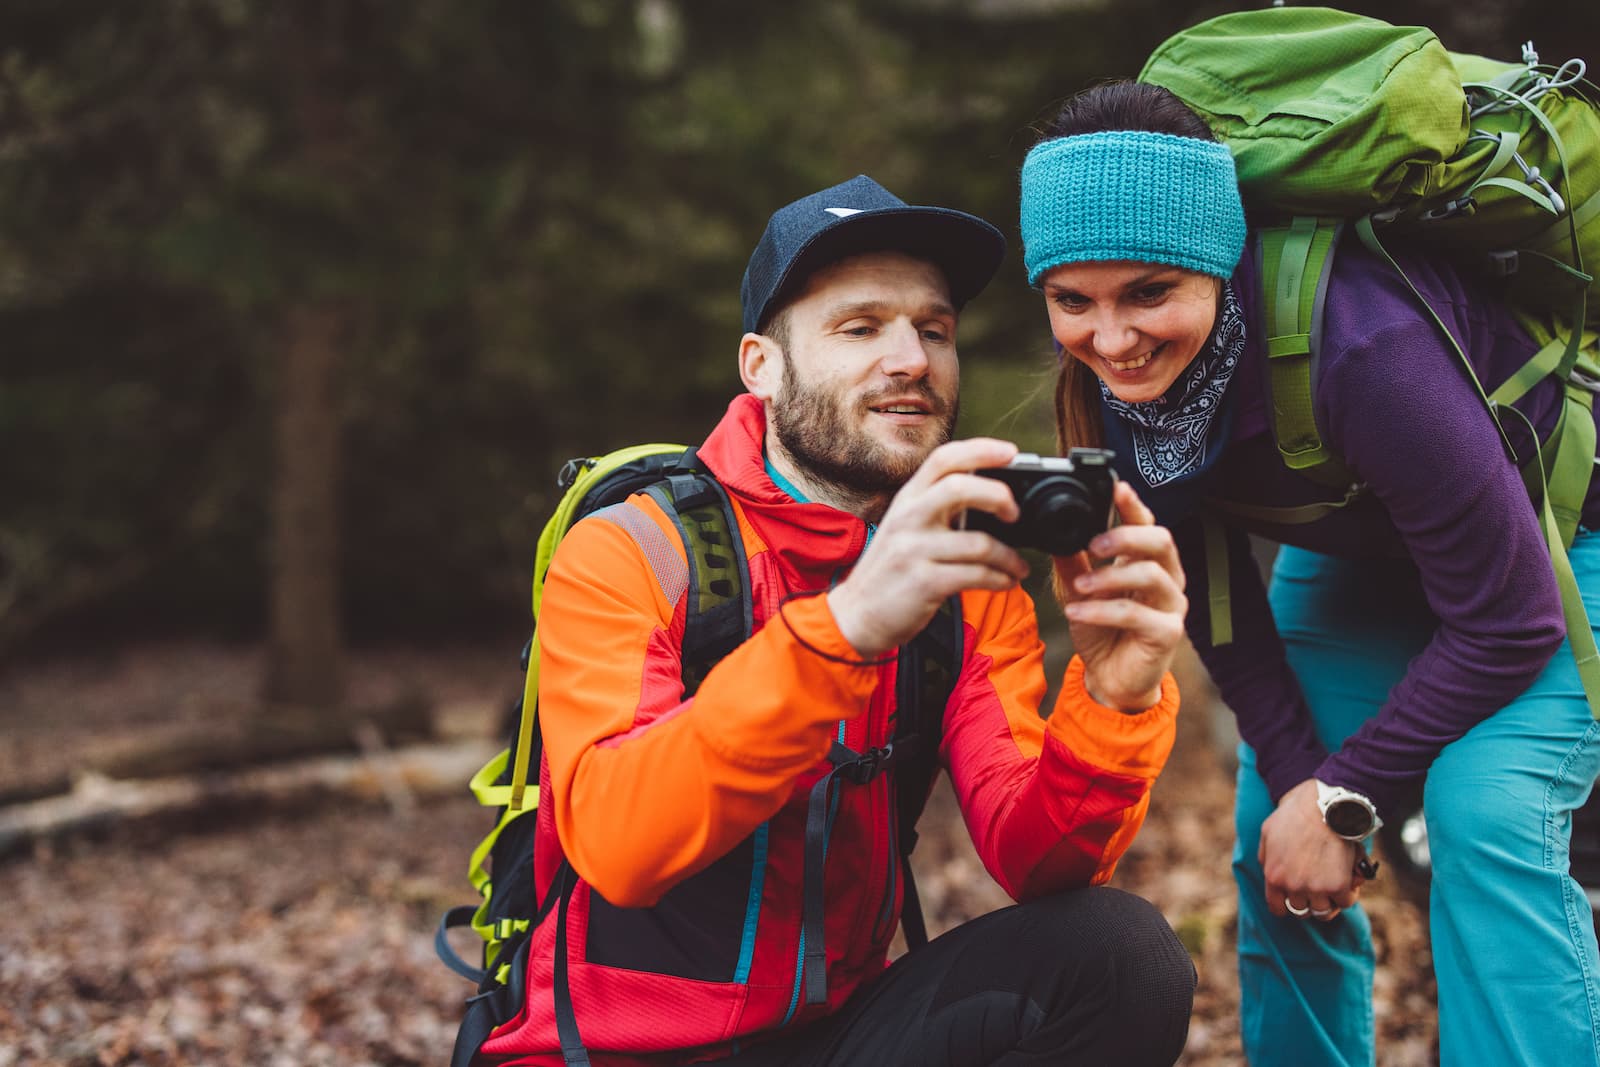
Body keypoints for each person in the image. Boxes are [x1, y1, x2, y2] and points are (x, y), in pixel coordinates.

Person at [473, 174, 1196, 1066]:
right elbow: (623, 844)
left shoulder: (967, 581)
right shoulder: (636, 548)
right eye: (860, 328)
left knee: (1123, 958)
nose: (912, 360)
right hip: (612, 1052)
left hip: (829, 1041)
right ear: (761, 365)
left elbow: (1035, 861)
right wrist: (845, 630)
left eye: (933, 329)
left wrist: (1116, 699)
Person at [1017, 79, 1600, 1067]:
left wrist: (1346, 797)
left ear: (1217, 260)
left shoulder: (1363, 346)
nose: (1110, 339)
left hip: (1558, 539)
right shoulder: (1126, 384)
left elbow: (1506, 619)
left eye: (1148, 292)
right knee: (1268, 833)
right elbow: (1221, 611)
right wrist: (1307, 797)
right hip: (1369, 554)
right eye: (1072, 301)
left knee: (1486, 808)